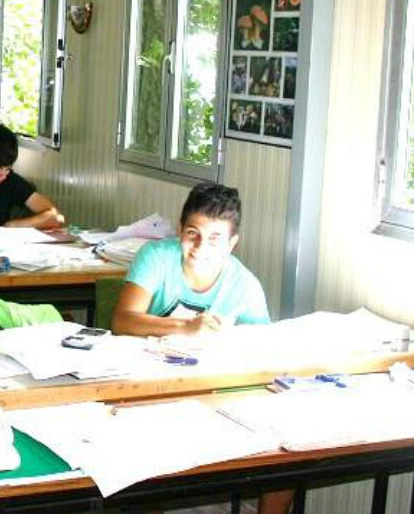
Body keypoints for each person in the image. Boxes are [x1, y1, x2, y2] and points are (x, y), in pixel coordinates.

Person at [111, 182, 291, 514]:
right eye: (192, 233)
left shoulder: (245, 285)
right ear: (180, 229)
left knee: (287, 446)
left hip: (212, 389)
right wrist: (185, 327)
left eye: (214, 238)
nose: (199, 246)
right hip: (147, 386)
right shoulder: (157, 257)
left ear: (232, 243)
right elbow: (123, 321)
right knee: (140, 454)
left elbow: (262, 347)